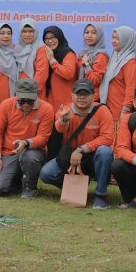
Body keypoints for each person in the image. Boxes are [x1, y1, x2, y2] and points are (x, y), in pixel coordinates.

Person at [39, 79, 114, 209]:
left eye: (86, 94)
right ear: (72, 95)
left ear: (93, 96)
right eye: (78, 93)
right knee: (46, 173)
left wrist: (82, 149)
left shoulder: (102, 110)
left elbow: (107, 138)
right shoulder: (65, 110)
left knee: (105, 152)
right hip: (70, 156)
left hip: (93, 155)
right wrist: (63, 120)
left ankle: (100, 195)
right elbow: (59, 129)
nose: (82, 97)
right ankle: (77, 189)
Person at [0, 78, 55, 198]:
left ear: (37, 95)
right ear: (16, 95)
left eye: (30, 101)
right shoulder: (6, 105)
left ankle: (30, 187)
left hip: (33, 151)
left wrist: (26, 143)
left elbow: (43, 138)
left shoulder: (47, 108)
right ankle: (17, 181)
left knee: (30, 157)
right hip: (9, 152)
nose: (26, 104)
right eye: (22, 101)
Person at [99, 26, 136, 122]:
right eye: (113, 37)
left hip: (120, 113)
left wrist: (126, 110)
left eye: (117, 38)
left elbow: (131, 88)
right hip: (109, 111)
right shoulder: (114, 57)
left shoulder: (130, 62)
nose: (113, 41)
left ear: (126, 40)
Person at [42, 25, 78, 110]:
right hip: (50, 103)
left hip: (65, 104)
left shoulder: (68, 53)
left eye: (53, 37)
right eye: (47, 39)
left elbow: (68, 73)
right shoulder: (45, 54)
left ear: (59, 37)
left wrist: (52, 61)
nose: (50, 41)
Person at [15, 19, 49, 96]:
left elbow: (41, 74)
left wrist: (30, 93)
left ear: (35, 32)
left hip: (34, 94)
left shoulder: (41, 48)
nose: (27, 35)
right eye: (24, 31)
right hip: (18, 92)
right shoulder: (16, 49)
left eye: (31, 31)